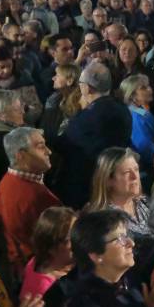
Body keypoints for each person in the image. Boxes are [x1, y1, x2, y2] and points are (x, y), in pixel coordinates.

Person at [55, 62, 133, 208]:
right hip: (114, 179)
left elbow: (64, 144)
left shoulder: (87, 118)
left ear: (87, 88)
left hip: (88, 187)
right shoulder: (123, 109)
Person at [0, 126, 61, 269]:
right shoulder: (35, 197)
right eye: (40, 147)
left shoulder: (5, 183)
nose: (48, 151)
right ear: (21, 155)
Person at [84, 148, 152, 243]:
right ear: (108, 180)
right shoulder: (103, 220)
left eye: (136, 169)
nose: (135, 177)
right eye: (127, 173)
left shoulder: (146, 203)